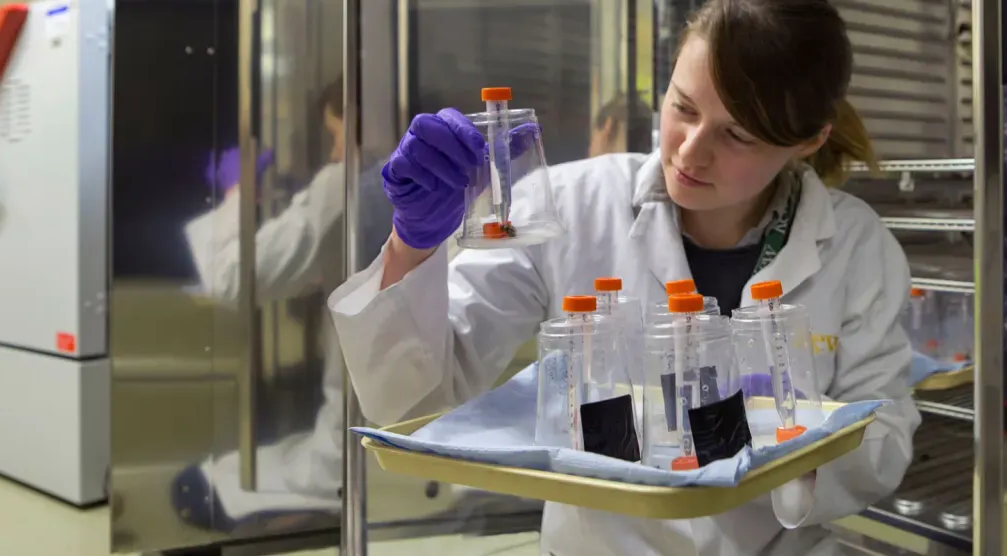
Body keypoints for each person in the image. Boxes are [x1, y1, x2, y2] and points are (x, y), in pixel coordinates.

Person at [327, 0, 919, 554]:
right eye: (683, 108)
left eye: (737, 135)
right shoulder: (572, 205)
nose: (690, 152)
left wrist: (781, 446)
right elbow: (418, 400)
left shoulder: (854, 245)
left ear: (809, 141)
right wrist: (412, 245)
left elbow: (885, 438)